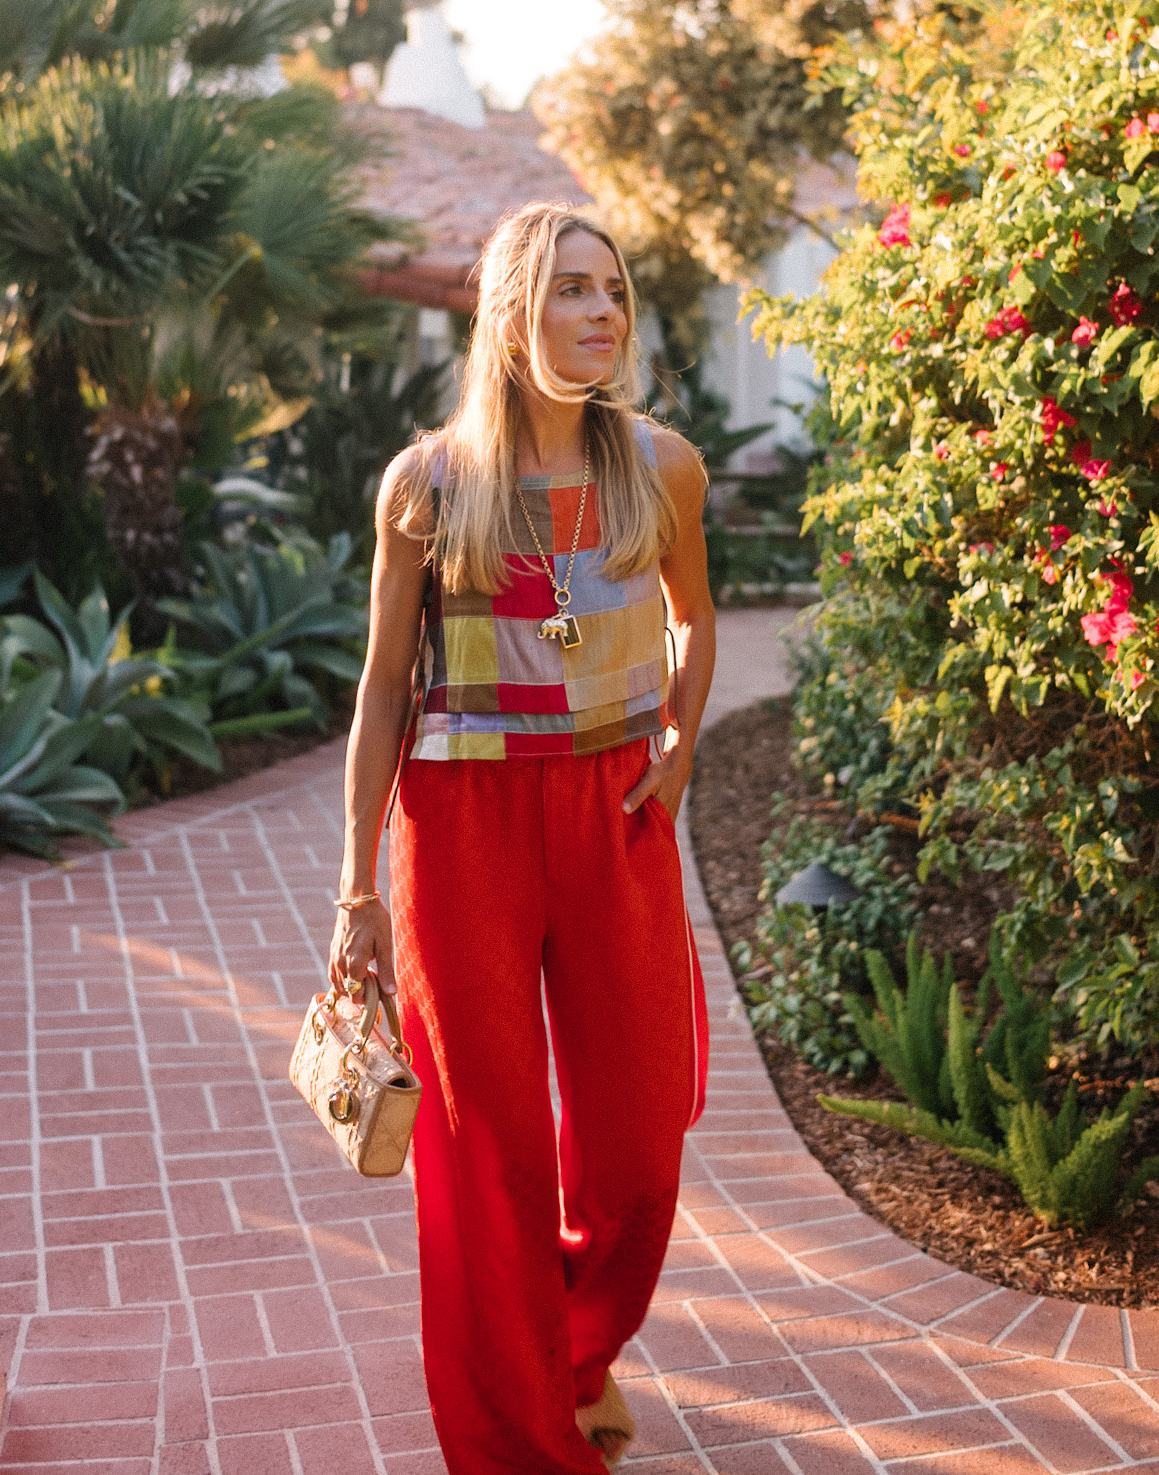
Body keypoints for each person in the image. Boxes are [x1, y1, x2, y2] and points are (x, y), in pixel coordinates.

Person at [328, 202, 715, 1473]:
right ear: (510, 311)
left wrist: (681, 742)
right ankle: (515, 1445)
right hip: (462, 829)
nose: (601, 314)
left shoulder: (661, 465)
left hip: (612, 817)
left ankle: (563, 1359)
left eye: (613, 290)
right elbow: (385, 688)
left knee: (636, 1149)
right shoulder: (426, 484)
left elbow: (694, 623)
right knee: (482, 1152)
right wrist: (356, 894)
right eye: (569, 291)